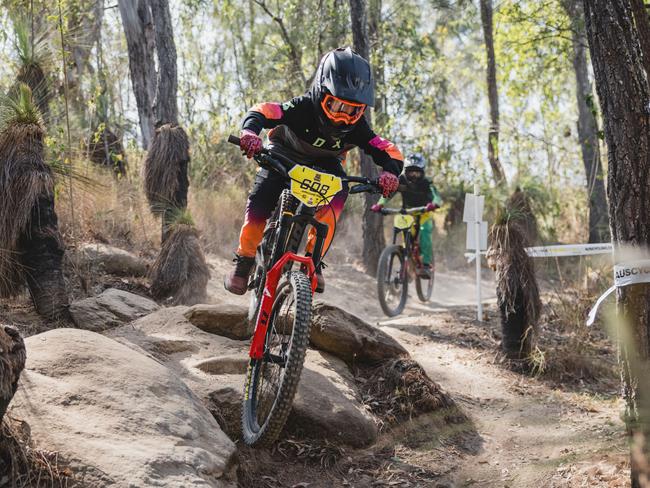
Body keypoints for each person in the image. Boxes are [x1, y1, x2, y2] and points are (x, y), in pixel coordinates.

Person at [225, 47, 404, 295]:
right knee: (260, 200)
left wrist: (391, 173)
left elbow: (388, 150)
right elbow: (263, 110)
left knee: (339, 193)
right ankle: (243, 263)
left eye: (353, 109)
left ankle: (314, 261)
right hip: (284, 153)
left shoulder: (358, 128)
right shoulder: (303, 106)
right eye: (338, 105)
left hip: (325, 162)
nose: (344, 116)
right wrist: (249, 133)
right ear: (322, 92)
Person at [371, 153, 442, 278]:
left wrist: (435, 203)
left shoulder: (426, 183)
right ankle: (407, 263)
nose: (414, 175)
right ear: (406, 171)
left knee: (425, 233)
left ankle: (425, 265)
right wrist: (380, 204)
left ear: (422, 172)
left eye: (417, 172)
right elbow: (389, 193)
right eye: (411, 172)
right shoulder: (401, 181)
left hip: (424, 213)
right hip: (407, 213)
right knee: (406, 238)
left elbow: (436, 196)